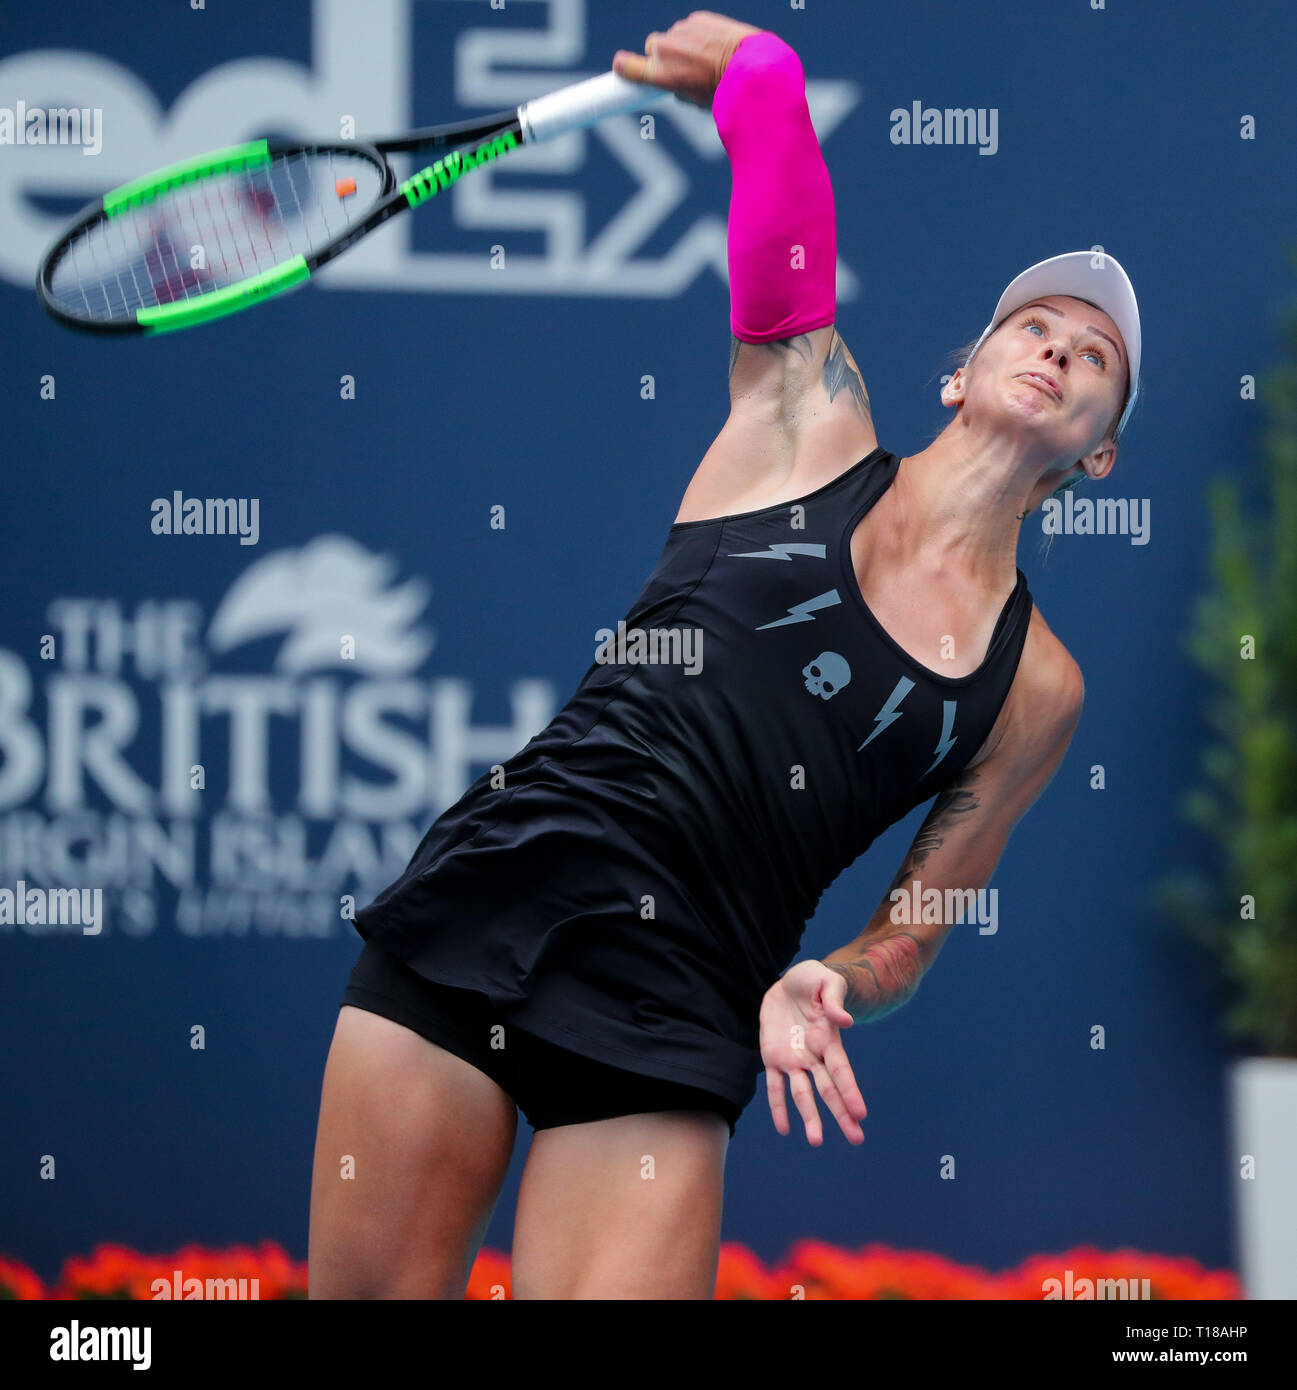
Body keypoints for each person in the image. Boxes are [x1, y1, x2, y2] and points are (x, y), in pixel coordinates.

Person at [307, 10, 1142, 1301]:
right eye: (1032, 325)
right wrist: (764, 81)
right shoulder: (805, 424)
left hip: (685, 986)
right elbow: (782, 247)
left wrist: (833, 979)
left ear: (1096, 453)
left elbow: (913, 923)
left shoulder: (1037, 686)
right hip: (500, 888)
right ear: (957, 370)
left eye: (1094, 356)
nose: (1056, 348)